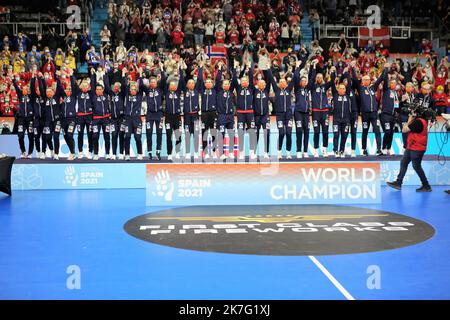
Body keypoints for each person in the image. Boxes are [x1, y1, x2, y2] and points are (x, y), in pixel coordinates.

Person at [387, 111, 432, 192]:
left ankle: (426, 185)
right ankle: (398, 182)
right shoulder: (423, 121)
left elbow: (404, 130)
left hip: (416, 148)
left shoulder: (418, 122)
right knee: (404, 162)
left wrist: (409, 119)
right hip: (412, 147)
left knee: (416, 166)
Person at [351, 60, 384, 156]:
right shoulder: (360, 88)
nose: (367, 81)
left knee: (377, 130)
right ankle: (364, 149)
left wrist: (385, 69)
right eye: (365, 79)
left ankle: (379, 149)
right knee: (365, 131)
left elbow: (380, 79)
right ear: (362, 81)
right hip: (365, 114)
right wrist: (353, 68)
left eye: (368, 79)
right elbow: (354, 79)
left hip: (374, 113)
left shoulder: (373, 88)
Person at [265, 63, 296, 160]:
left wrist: (297, 68)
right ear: (279, 83)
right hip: (279, 115)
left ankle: (288, 153)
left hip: (289, 114)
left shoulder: (289, 89)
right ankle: (279, 152)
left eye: (284, 81)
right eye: (281, 81)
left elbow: (295, 79)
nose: (282, 83)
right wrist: (268, 68)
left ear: (286, 84)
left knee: (289, 133)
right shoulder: (276, 90)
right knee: (281, 133)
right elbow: (270, 78)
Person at [232, 61, 257, 160]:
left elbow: (251, 77)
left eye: (245, 80)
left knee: (251, 133)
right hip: (241, 114)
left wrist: (249, 67)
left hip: (250, 113)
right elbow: (234, 79)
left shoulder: (251, 88)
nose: (244, 82)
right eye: (242, 81)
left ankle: (251, 152)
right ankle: (241, 152)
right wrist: (234, 68)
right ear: (241, 82)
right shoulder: (238, 88)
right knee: (241, 133)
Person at [308, 59, 333, 158]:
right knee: (317, 132)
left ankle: (325, 150)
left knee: (325, 132)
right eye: (317, 77)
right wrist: (314, 67)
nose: (319, 78)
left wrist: (331, 70)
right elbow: (311, 77)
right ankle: (315, 150)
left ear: (322, 78)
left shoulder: (324, 86)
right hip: (315, 112)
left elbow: (331, 82)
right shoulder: (312, 86)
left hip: (325, 112)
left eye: (320, 77)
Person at [199, 61, 222, 159]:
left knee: (213, 133)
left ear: (212, 84)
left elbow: (218, 79)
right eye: (206, 82)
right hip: (204, 114)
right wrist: (200, 68)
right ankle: (205, 152)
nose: (208, 83)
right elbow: (200, 79)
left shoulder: (215, 90)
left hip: (213, 114)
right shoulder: (202, 90)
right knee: (204, 132)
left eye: (210, 82)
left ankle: (213, 151)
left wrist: (219, 69)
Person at [143, 62, 165, 160]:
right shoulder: (147, 91)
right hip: (150, 114)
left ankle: (158, 151)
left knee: (159, 132)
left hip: (159, 114)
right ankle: (150, 152)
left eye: (154, 82)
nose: (152, 83)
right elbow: (141, 85)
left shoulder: (160, 89)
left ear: (156, 83)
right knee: (149, 132)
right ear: (149, 83)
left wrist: (162, 69)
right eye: (151, 82)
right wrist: (140, 74)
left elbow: (164, 80)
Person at [123, 68, 144, 161]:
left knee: (137, 137)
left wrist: (140, 74)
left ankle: (140, 153)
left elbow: (142, 86)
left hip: (137, 119)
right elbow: (124, 86)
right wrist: (124, 74)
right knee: (127, 136)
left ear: (137, 90)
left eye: (134, 89)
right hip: (128, 119)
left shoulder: (139, 96)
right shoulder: (127, 95)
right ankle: (127, 154)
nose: (133, 90)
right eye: (131, 89)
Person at [182, 63, 202, 160]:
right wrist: (180, 69)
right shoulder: (185, 91)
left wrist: (201, 68)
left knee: (196, 135)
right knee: (187, 135)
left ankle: (196, 152)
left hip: (195, 116)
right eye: (189, 83)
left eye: (192, 83)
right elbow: (181, 80)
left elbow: (199, 79)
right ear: (187, 85)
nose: (191, 84)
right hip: (186, 117)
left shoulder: (197, 90)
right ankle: (187, 153)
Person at [330, 68, 351, 158]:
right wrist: (333, 72)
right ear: (338, 89)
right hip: (336, 119)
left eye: (343, 88)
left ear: (345, 90)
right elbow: (332, 82)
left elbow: (349, 82)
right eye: (340, 88)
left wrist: (346, 72)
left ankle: (342, 150)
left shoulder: (347, 95)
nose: (342, 90)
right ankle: (335, 150)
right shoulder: (335, 95)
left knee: (344, 135)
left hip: (346, 119)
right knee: (336, 134)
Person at [90, 72, 111, 160]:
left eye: (100, 89)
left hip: (106, 119)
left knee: (107, 136)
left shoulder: (106, 94)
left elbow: (106, 84)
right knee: (95, 136)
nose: (98, 90)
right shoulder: (93, 96)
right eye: (97, 89)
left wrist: (105, 74)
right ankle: (96, 153)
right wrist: (93, 75)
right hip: (96, 119)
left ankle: (107, 153)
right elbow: (93, 83)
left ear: (102, 90)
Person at [12, 77, 34, 159]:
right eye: (23, 89)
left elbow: (32, 86)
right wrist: (13, 80)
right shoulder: (20, 95)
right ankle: (23, 151)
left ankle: (30, 152)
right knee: (20, 136)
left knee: (30, 136)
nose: (25, 90)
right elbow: (16, 87)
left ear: (28, 90)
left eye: (26, 89)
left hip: (30, 119)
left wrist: (32, 78)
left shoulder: (31, 97)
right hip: (21, 119)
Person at [57, 74, 77, 161]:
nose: (68, 90)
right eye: (67, 89)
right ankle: (71, 152)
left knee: (69, 135)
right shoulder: (64, 97)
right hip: (63, 120)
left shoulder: (74, 96)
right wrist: (58, 78)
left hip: (72, 119)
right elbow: (59, 88)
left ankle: (73, 152)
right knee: (65, 136)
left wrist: (72, 76)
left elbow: (73, 85)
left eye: (70, 89)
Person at [293, 60, 310, 159]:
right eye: (302, 80)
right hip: (298, 112)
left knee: (307, 131)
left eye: (305, 81)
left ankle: (305, 151)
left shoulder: (308, 89)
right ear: (300, 82)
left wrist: (313, 67)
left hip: (307, 113)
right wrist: (297, 66)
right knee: (299, 131)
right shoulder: (297, 88)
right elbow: (295, 77)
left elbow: (312, 78)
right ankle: (299, 151)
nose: (304, 82)